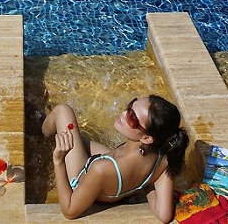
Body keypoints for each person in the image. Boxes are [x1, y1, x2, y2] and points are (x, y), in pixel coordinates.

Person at [42, 95, 189, 222]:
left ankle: (39, 135)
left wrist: (58, 161)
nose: (124, 113)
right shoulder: (163, 159)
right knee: (74, 136)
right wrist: (147, 183)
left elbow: (69, 210)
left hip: (83, 180)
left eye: (132, 117)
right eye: (130, 106)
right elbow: (164, 215)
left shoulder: (101, 169)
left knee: (63, 111)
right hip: (114, 176)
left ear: (146, 138)